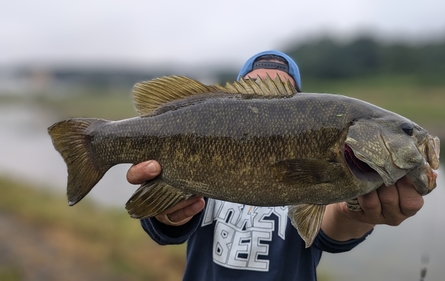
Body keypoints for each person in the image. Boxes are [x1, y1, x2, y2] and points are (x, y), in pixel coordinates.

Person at [126, 50, 424, 280]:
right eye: (253, 89)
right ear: (232, 97)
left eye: (282, 94)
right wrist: (166, 215)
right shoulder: (207, 139)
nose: (265, 101)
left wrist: (360, 215)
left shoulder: (329, 169)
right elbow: (167, 228)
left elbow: (332, 226)